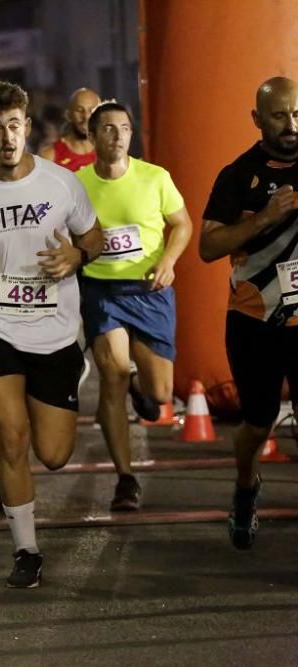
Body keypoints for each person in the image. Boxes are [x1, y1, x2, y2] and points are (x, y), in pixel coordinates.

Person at [0, 81, 103, 588]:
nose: (7, 138)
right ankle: (26, 550)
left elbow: (92, 237)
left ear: (27, 126)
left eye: (14, 125)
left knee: (52, 454)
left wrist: (77, 256)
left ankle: (62, 380)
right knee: (11, 438)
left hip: (53, 332)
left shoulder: (61, 185)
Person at [76, 101, 193, 511]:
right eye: (108, 128)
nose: (118, 135)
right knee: (113, 374)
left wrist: (168, 260)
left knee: (160, 394)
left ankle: (143, 392)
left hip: (149, 291)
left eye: (124, 128)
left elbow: (182, 224)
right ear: (91, 137)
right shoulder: (77, 184)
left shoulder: (154, 178)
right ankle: (125, 478)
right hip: (102, 292)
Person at [199, 76, 298, 550]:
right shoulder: (238, 176)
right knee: (257, 424)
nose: (292, 124)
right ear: (258, 120)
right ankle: (245, 487)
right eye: (280, 115)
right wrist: (264, 218)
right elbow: (207, 246)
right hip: (255, 322)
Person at [38, 88, 100, 172]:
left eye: (92, 110)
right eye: (79, 110)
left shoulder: (110, 154)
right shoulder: (49, 156)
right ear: (68, 115)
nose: (86, 117)